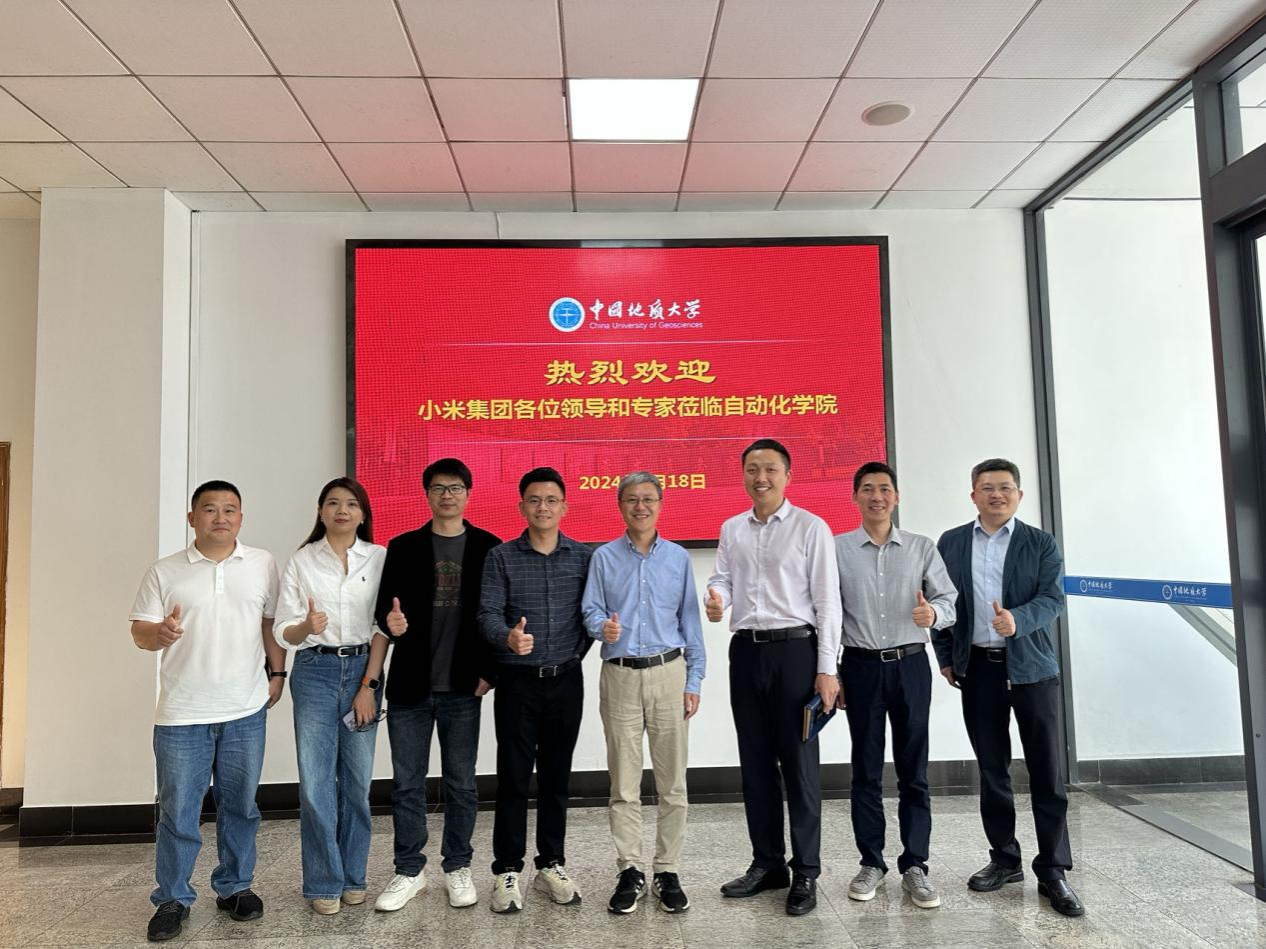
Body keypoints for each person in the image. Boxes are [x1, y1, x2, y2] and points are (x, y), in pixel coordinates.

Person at [129, 480, 285, 943]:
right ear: (192, 518)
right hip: (182, 713)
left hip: (245, 709)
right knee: (178, 811)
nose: (221, 517)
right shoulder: (165, 571)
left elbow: (270, 624)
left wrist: (278, 674)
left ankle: (235, 887)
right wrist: (160, 634)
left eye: (230, 509)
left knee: (241, 806)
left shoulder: (262, 564)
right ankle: (172, 898)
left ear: (241, 517)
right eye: (210, 509)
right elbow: (140, 632)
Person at [933, 458, 1083, 917]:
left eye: (1005, 487)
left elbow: (1052, 598)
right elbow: (941, 601)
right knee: (992, 770)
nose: (996, 494)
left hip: (1033, 669)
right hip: (978, 668)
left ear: (1018, 494)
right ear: (973, 495)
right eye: (987, 487)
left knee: (1046, 771)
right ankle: (1004, 859)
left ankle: (1053, 868)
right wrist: (946, 656)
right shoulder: (952, 542)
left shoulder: (1039, 543)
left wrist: (1017, 619)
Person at [706, 439, 842, 917]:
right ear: (743, 474)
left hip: (796, 653)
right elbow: (722, 578)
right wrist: (717, 598)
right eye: (752, 469)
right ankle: (767, 863)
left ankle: (805, 869)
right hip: (746, 652)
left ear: (787, 475)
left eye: (769, 469)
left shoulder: (811, 527)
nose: (760, 477)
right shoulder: (732, 528)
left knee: (799, 766)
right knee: (755, 764)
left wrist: (827, 668)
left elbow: (827, 602)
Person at [371, 458, 502, 912]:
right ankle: (410, 870)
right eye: (439, 488)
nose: (447, 495)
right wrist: (389, 622)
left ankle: (457, 866)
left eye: (455, 487)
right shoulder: (403, 546)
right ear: (427, 494)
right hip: (411, 685)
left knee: (461, 783)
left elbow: (496, 614)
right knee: (407, 784)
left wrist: (490, 673)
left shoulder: (488, 547)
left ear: (468, 493)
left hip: (463, 687)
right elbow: (383, 611)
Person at [581, 471, 706, 915]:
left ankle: (667, 869)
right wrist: (603, 627)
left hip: (669, 673)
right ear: (620, 505)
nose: (640, 506)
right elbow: (590, 610)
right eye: (632, 499)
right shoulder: (603, 557)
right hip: (619, 676)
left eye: (648, 499)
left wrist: (694, 681)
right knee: (624, 781)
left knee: (673, 783)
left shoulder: (677, 558)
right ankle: (630, 869)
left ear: (660, 504)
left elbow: (690, 622)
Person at [834, 461, 956, 909]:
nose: (877, 496)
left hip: (910, 665)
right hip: (860, 667)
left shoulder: (921, 547)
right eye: (867, 489)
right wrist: (832, 670)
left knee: (913, 770)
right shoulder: (837, 549)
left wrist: (933, 615)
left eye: (885, 489)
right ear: (855, 497)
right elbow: (826, 612)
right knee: (865, 770)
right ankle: (871, 861)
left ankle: (915, 865)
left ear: (897, 497)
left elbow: (949, 600)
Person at [478, 466, 593, 913]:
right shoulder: (501, 557)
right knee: (512, 777)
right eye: (534, 500)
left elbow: (590, 617)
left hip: (566, 680)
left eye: (551, 500)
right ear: (521, 506)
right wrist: (508, 637)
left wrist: (573, 655)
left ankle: (551, 864)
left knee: (556, 778)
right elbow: (487, 614)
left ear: (564, 507)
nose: (543, 507)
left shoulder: (583, 558)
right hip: (517, 683)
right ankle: (507, 869)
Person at [273, 477, 386, 915]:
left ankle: (354, 876)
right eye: (333, 503)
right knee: (317, 783)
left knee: (357, 783)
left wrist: (368, 686)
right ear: (320, 512)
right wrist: (306, 627)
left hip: (363, 669)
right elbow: (283, 629)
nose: (342, 510)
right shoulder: (302, 560)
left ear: (363, 513)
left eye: (351, 504)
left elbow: (381, 627)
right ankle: (323, 881)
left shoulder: (378, 557)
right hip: (315, 671)